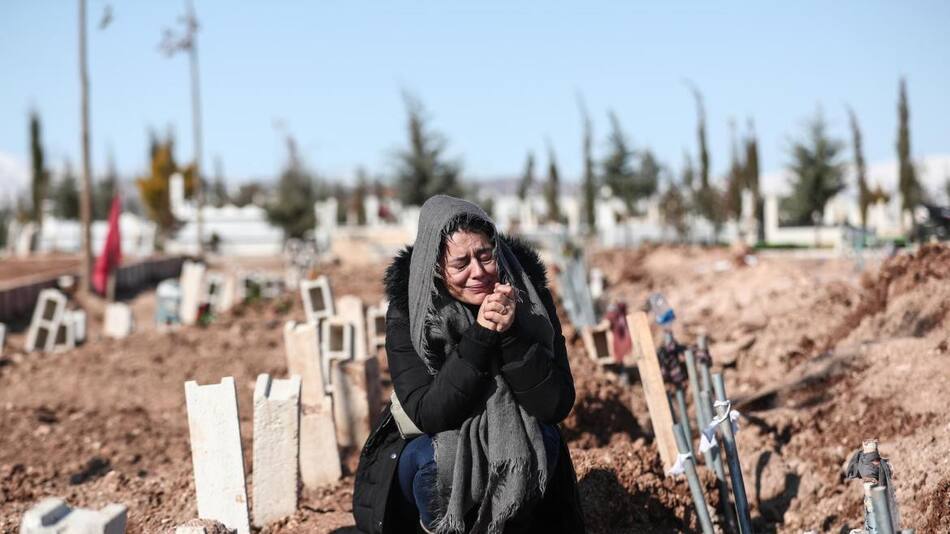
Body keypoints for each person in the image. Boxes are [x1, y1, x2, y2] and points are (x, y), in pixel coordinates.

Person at [353, 195, 585, 534]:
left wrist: (509, 335)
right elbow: (430, 413)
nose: (478, 273)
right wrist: (480, 336)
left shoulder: (528, 297)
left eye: (485, 256)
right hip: (436, 439)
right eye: (460, 264)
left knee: (542, 441)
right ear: (434, 266)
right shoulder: (410, 311)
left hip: (514, 433)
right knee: (432, 463)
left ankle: (512, 520)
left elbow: (554, 404)